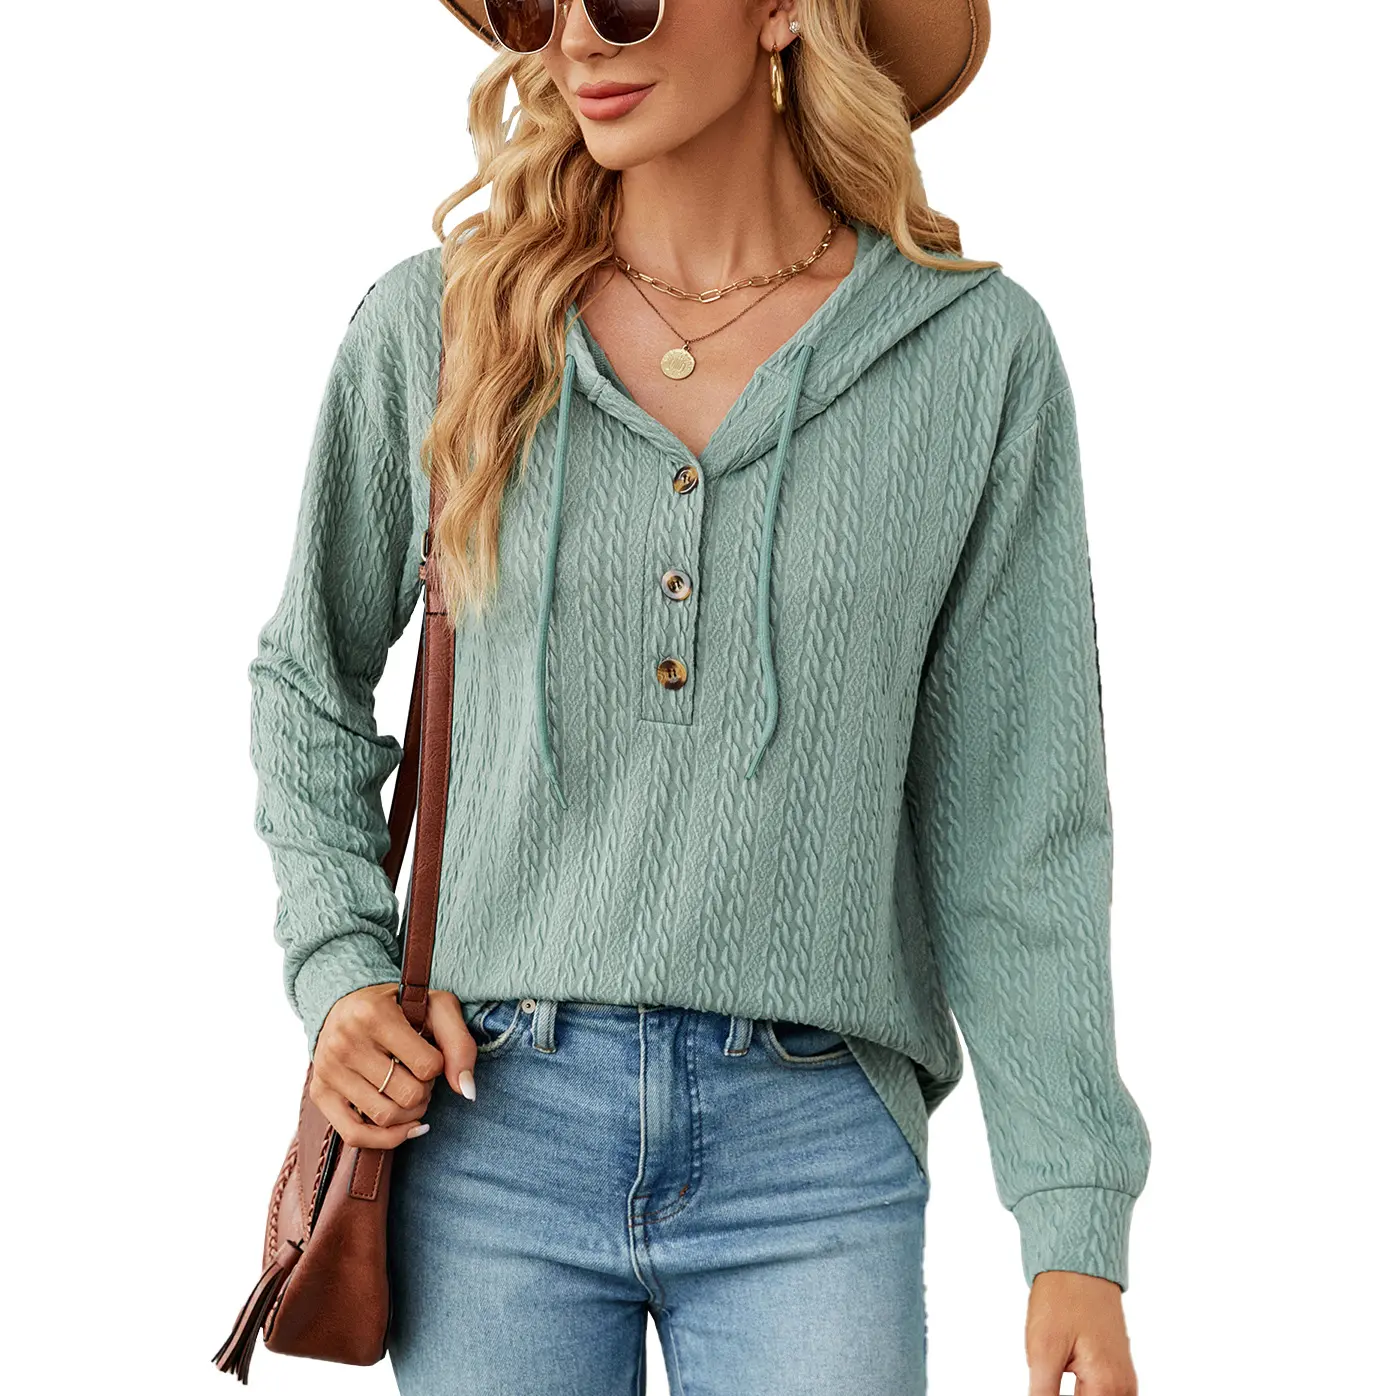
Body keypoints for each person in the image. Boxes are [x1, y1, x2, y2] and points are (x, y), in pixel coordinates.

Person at [245, 1, 1151, 1391]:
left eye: (627, 0)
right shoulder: (442, 326)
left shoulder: (971, 356)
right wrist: (342, 971)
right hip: (486, 1126)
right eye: (539, 4)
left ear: (783, 7)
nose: (578, 40)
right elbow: (307, 679)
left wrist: (1071, 1216)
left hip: (816, 1153)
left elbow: (1020, 824)